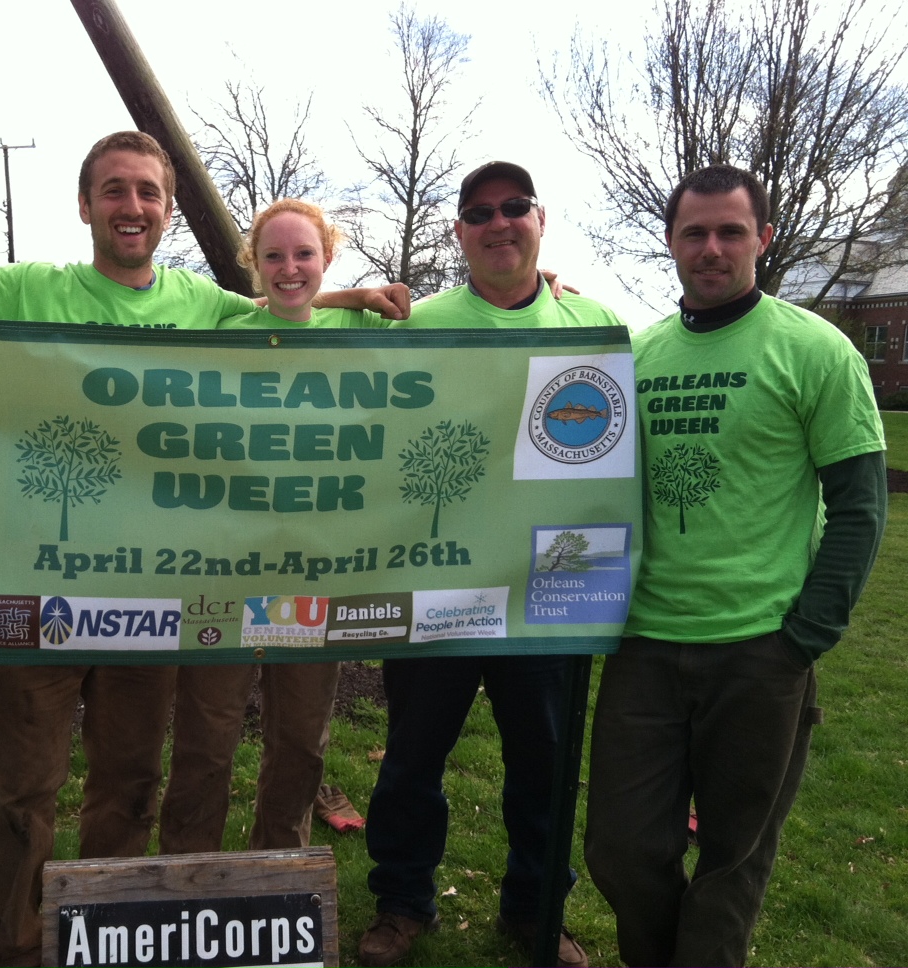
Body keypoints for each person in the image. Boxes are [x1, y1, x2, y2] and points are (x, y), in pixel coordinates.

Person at [0, 132, 409, 968]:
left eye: (146, 193)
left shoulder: (202, 305)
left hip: (147, 606)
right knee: (22, 793)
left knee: (126, 790)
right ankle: (17, 945)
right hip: (30, 598)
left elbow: (289, 304)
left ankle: (107, 937)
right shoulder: (28, 289)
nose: (131, 207)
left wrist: (354, 298)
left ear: (168, 209)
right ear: (87, 203)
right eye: (113, 190)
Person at [583, 164, 886, 968]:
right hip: (643, 645)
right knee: (619, 853)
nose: (711, 248)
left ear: (763, 239)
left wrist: (804, 637)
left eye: (730, 232)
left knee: (732, 860)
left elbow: (860, 506)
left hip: (760, 651)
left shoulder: (815, 351)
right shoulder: (637, 355)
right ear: (672, 242)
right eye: (694, 232)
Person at [356, 161, 621, 968]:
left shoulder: (596, 322)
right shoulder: (419, 323)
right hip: (436, 584)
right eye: (479, 212)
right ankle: (402, 903)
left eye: (515, 207)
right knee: (411, 760)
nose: (498, 222)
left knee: (543, 766)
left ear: (542, 219)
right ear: (460, 231)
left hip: (557, 584)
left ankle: (536, 913)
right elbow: (292, 341)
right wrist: (345, 296)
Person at [159, 199, 393, 856]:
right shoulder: (225, 323)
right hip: (222, 577)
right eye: (273, 256)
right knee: (205, 745)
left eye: (304, 255)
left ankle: (280, 871)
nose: (289, 269)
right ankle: (187, 874)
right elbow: (276, 304)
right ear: (252, 265)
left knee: (299, 747)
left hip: (312, 577)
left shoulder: (362, 330)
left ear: (328, 259)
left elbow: (460, 347)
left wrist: (548, 289)